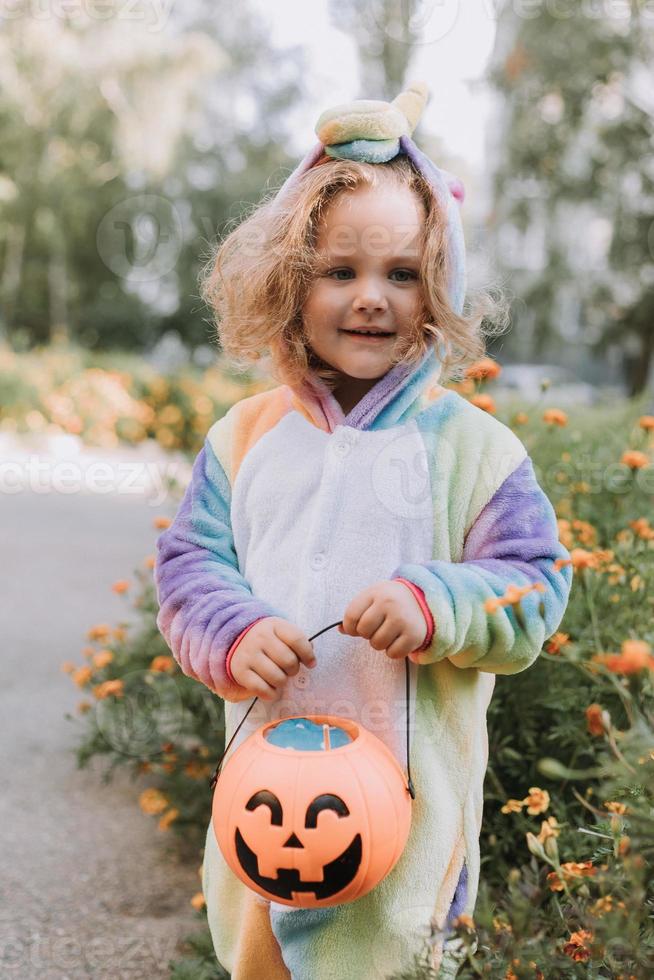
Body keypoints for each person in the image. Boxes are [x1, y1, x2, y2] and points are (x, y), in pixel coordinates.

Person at [154, 83, 573, 980]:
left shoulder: (475, 451)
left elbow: (534, 584)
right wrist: (229, 629)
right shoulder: (245, 439)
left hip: (403, 827)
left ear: (442, 285)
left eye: (403, 274)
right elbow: (189, 566)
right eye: (339, 272)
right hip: (268, 805)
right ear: (289, 283)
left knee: (393, 963)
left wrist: (437, 602)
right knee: (262, 960)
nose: (371, 299)